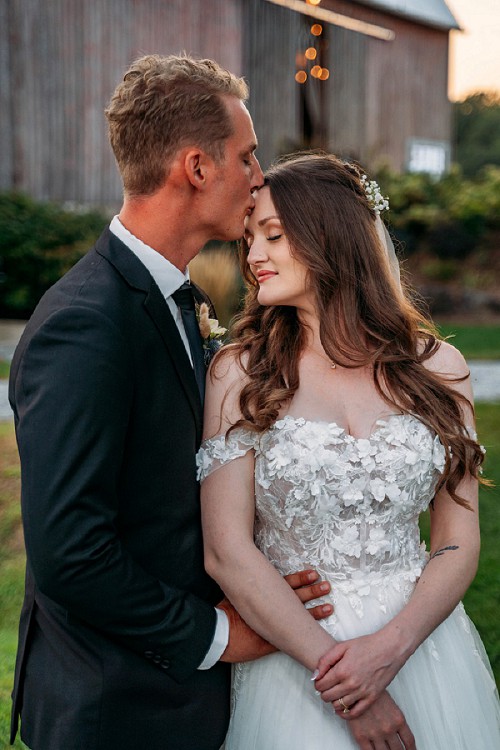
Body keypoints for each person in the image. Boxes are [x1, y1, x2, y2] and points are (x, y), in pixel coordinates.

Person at [8, 55, 335, 750]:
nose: (259, 177)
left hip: (173, 702)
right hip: (115, 709)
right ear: (195, 167)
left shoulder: (177, 300)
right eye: (246, 158)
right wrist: (221, 635)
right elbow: (71, 553)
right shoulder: (85, 324)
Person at [199, 153, 500, 749]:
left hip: (423, 649)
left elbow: (458, 539)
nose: (253, 256)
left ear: (332, 237)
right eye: (249, 238)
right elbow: (226, 550)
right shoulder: (240, 372)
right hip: (294, 657)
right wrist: (342, 679)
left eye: (274, 236)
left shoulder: (440, 369)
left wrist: (391, 650)